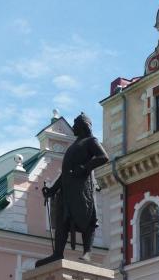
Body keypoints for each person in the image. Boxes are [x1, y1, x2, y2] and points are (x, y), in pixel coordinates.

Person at [35, 112, 108, 267]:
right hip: (67, 189)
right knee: (61, 221)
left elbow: (103, 157)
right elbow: (65, 173)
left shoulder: (90, 141)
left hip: (82, 188)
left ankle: (87, 252)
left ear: (83, 126)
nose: (73, 127)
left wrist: (84, 168)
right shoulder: (74, 145)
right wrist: (52, 190)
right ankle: (57, 253)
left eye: (75, 124)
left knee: (87, 218)